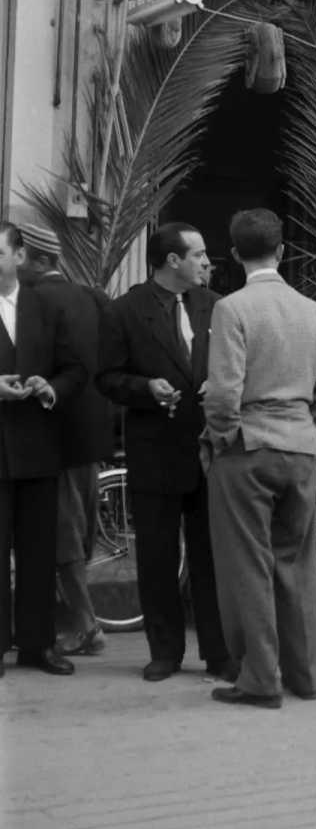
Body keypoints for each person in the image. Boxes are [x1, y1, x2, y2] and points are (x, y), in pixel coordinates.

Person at [203, 208, 316, 708]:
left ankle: (260, 679)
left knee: (248, 566)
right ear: (282, 251)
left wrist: (221, 438)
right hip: (301, 448)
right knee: (296, 564)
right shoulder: (315, 312)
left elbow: (223, 395)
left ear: (235, 254)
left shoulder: (232, 309)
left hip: (248, 449)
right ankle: (305, 676)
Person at [97, 221, 235, 683]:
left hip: (208, 449)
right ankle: (165, 652)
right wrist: (144, 388)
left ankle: (218, 653)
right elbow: (107, 377)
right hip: (154, 449)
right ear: (172, 260)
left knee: (210, 558)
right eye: (197, 255)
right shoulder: (125, 311)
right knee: (156, 556)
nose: (205, 262)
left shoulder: (215, 307)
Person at [19, 224, 114, 657]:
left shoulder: (34, 300)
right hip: (90, 434)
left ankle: (85, 624)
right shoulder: (90, 297)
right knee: (77, 530)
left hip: (50, 434)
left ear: (37, 260)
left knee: (62, 534)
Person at [0, 223, 85, 676]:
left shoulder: (44, 306)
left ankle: (38, 645)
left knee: (38, 551)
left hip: (37, 446)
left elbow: (75, 367)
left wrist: (49, 387)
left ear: (18, 256)